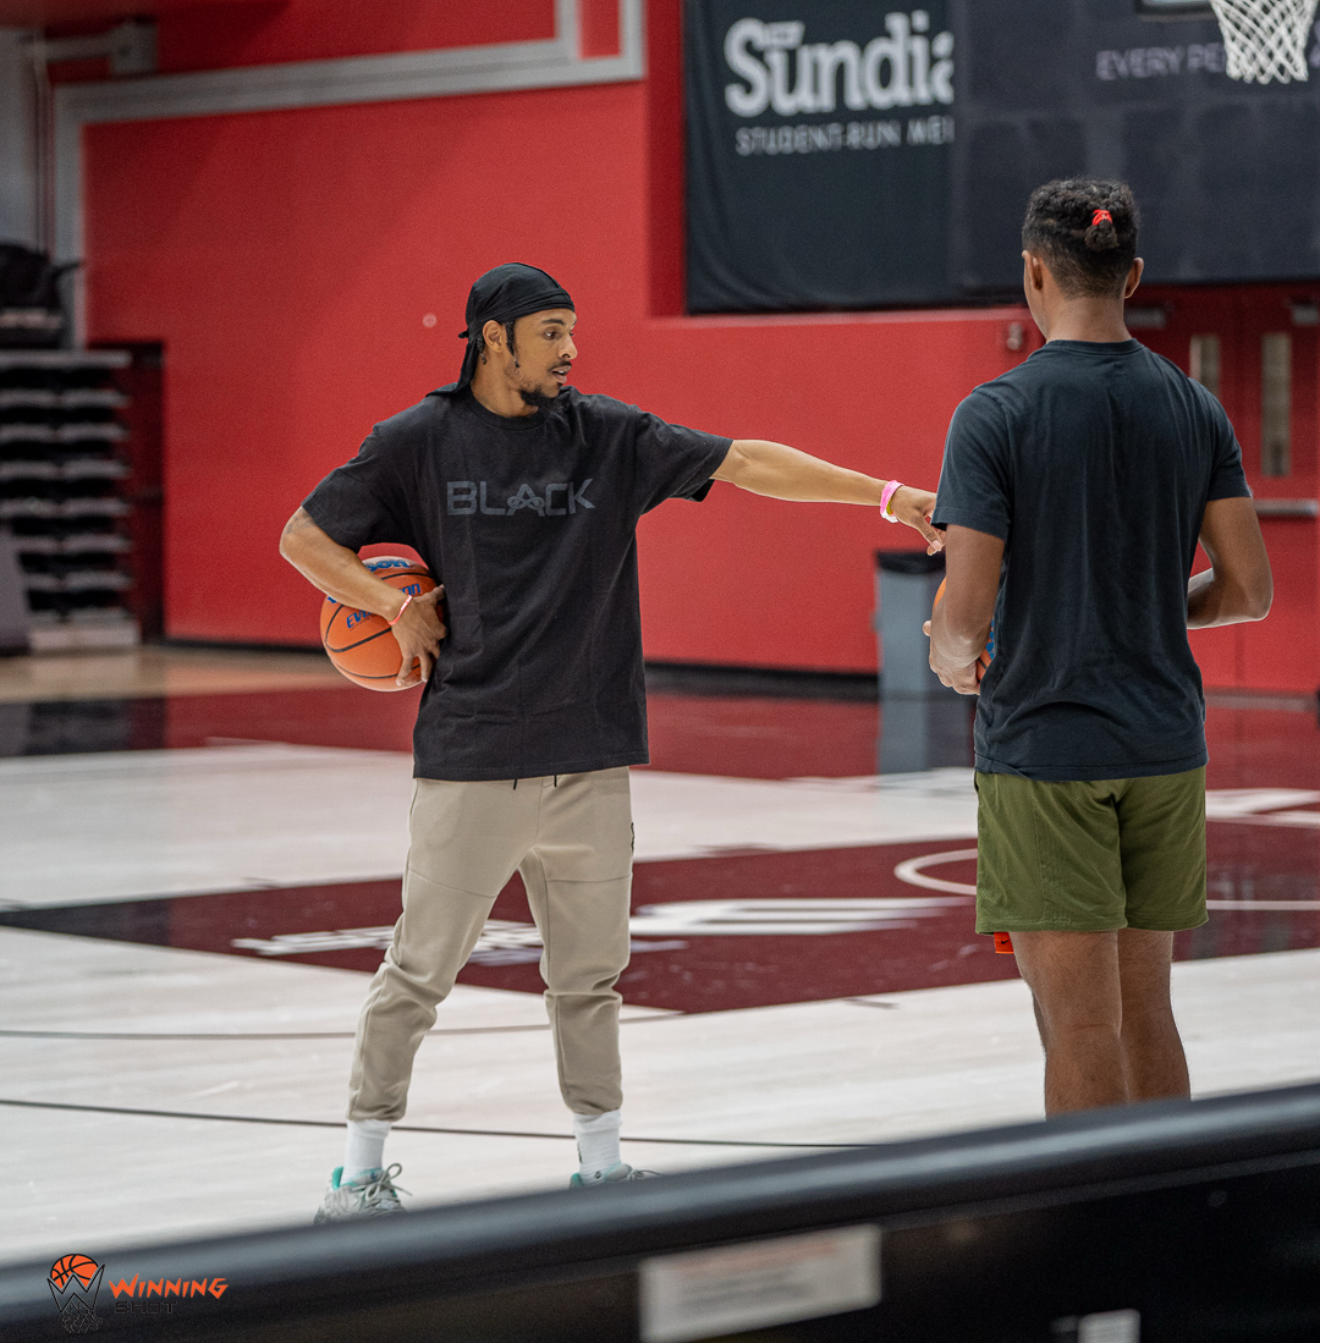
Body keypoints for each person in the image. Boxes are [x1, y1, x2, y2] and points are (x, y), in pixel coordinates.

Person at [281, 260, 942, 1214]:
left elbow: (748, 461)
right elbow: (304, 538)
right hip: (473, 757)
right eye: (552, 333)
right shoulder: (416, 443)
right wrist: (393, 604)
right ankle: (359, 1172)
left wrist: (885, 495)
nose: (571, 351)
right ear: (494, 338)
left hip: (590, 755)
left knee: (588, 979)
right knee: (417, 973)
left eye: (571, 332)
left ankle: (598, 1166)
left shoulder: (606, 436)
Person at [927, 179, 1272, 1116]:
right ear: (1134, 275)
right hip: (1165, 749)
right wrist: (1151, 612)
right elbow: (1248, 591)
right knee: (1147, 1011)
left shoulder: (993, 415)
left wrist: (949, 656)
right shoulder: (1194, 407)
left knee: (1078, 1024)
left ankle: (1092, 1250)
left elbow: (966, 607)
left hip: (1046, 753)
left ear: (1033, 272)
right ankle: (1170, 1223)